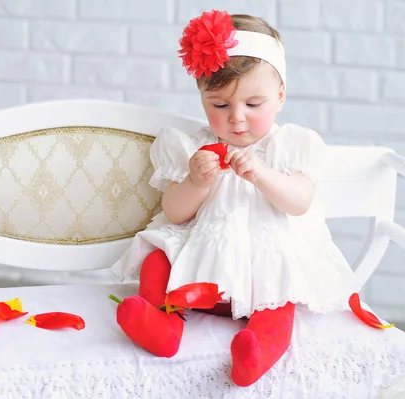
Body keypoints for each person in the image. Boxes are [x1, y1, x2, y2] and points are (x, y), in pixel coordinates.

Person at [110, 10, 355, 387]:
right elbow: (174, 214)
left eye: (253, 105)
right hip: (199, 273)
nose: (236, 118)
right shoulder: (192, 147)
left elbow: (299, 202)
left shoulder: (289, 146)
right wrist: (195, 181)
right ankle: (161, 325)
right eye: (220, 105)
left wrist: (262, 174)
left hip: (262, 273)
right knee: (157, 260)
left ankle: (254, 353)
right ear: (202, 97)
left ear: (280, 96)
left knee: (280, 303)